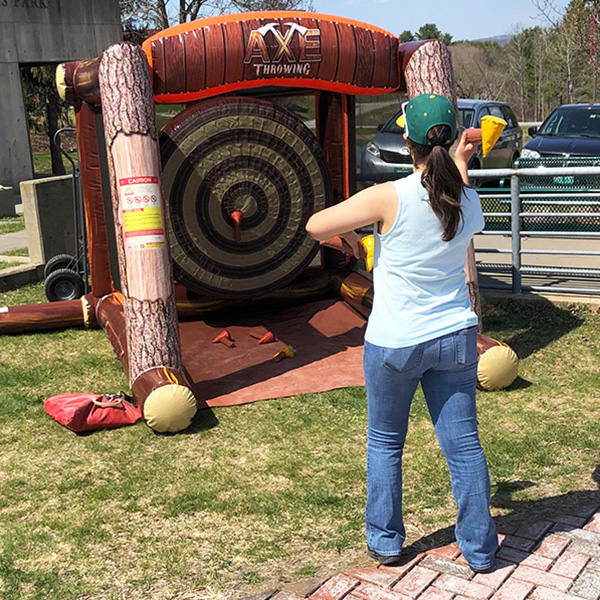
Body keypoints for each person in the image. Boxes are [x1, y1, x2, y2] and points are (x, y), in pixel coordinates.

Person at [305, 93, 498, 572]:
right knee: (464, 444)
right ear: (453, 138)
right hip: (455, 337)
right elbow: (451, 197)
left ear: (405, 140)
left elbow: (313, 225)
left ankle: (387, 542)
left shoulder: (386, 196)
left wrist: (348, 235)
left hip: (395, 341)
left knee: (386, 442)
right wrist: (460, 163)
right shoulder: (468, 199)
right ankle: (480, 549)